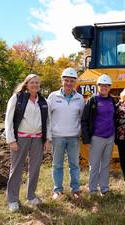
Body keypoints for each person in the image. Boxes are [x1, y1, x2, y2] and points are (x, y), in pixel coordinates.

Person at [4, 74, 51, 212]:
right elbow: (8, 119)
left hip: (38, 138)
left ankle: (31, 196)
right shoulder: (17, 98)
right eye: (32, 82)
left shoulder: (43, 101)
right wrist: (11, 140)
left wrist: (47, 139)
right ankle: (12, 199)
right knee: (16, 168)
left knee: (35, 168)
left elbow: (48, 121)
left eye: (37, 83)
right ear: (26, 84)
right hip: (21, 138)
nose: (35, 85)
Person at [47, 67, 85, 200]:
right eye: (66, 80)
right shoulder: (53, 96)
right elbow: (47, 117)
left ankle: (75, 190)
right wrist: (48, 136)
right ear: (62, 81)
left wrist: (80, 133)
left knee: (74, 164)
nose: (69, 83)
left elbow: (82, 118)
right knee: (57, 164)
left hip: (73, 137)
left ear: (75, 82)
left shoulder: (80, 98)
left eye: (72, 81)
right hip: (57, 137)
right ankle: (57, 190)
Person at [82, 74, 116, 195]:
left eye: (107, 86)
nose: (104, 88)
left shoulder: (112, 100)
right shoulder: (92, 100)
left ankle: (105, 188)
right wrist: (86, 138)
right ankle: (92, 189)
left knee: (106, 164)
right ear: (98, 86)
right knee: (94, 165)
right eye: (102, 86)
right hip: (96, 137)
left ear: (110, 87)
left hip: (110, 137)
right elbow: (84, 119)